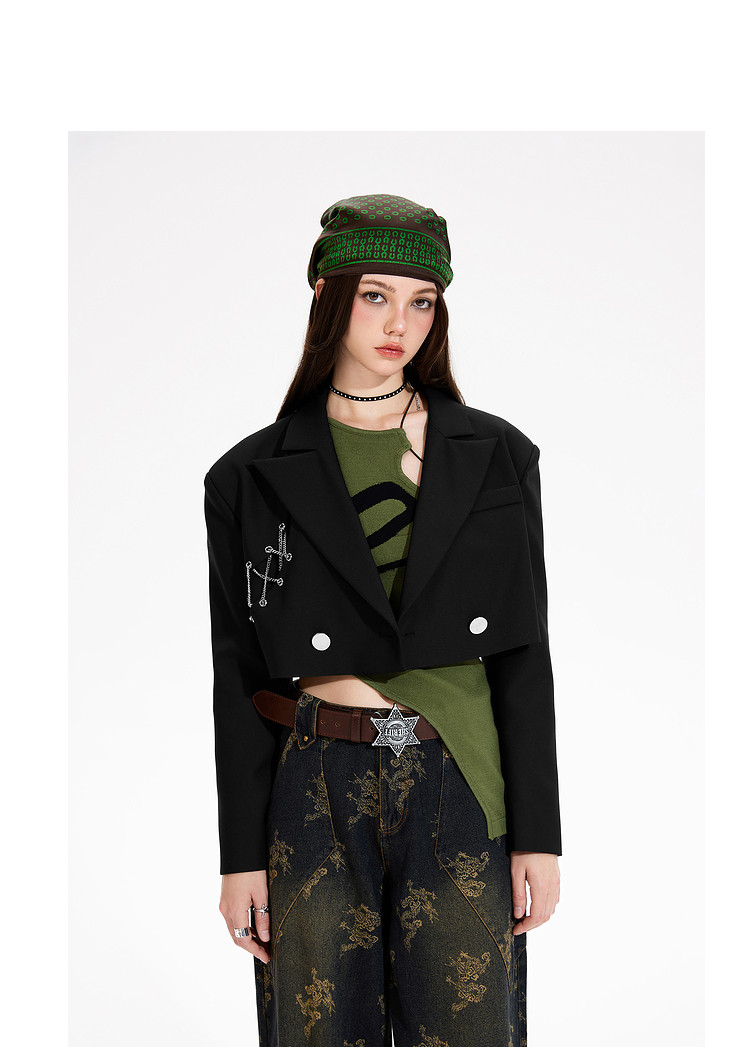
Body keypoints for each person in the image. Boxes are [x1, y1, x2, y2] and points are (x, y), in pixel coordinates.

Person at [203, 192, 562, 1046]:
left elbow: (524, 655)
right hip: (313, 785)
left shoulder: (496, 455)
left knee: (470, 1030)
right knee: (317, 1031)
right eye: (376, 295)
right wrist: (239, 856)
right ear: (328, 297)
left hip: (459, 778)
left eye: (422, 301)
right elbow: (236, 672)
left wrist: (540, 836)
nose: (401, 322)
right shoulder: (248, 476)